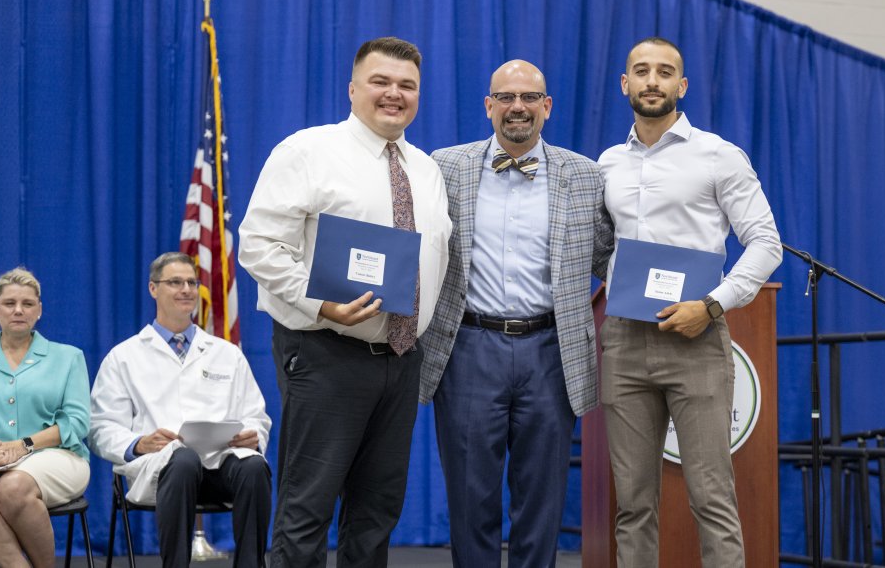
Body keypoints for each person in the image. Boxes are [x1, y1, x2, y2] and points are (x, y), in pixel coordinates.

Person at [238, 36, 452, 568]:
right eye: (380, 82)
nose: (393, 94)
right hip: (325, 353)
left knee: (377, 511)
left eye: (407, 85)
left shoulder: (426, 169)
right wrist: (320, 305)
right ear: (353, 88)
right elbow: (259, 245)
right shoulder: (307, 151)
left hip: (402, 362)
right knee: (306, 508)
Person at [420, 60, 613, 567]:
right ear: (488, 106)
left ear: (547, 107)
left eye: (529, 98)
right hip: (468, 348)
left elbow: (609, 257)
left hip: (552, 351)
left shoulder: (586, 175)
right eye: (506, 97)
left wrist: (677, 278)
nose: (517, 108)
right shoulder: (444, 166)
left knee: (541, 498)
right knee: (469, 495)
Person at [597, 37, 782, 568]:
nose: (652, 80)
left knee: (711, 497)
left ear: (681, 86)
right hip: (625, 340)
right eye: (641, 71)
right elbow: (603, 247)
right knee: (632, 504)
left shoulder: (719, 156)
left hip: (696, 339)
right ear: (624, 83)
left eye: (664, 72)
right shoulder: (607, 163)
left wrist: (714, 305)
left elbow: (766, 243)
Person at [88, 252, 271, 568]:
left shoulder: (227, 354)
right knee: (182, 459)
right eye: (175, 282)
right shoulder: (123, 358)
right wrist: (137, 444)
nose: (186, 289)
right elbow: (101, 427)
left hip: (220, 468)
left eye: (191, 282)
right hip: (159, 471)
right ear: (153, 288)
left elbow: (256, 414)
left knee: (254, 467)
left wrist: (252, 436)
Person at [0, 267, 90, 568]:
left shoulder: (68, 357)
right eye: (9, 303)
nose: (18, 310)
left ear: (39, 310)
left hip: (56, 457)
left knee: (12, 488)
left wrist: (23, 445)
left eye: (27, 304)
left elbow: (77, 423)